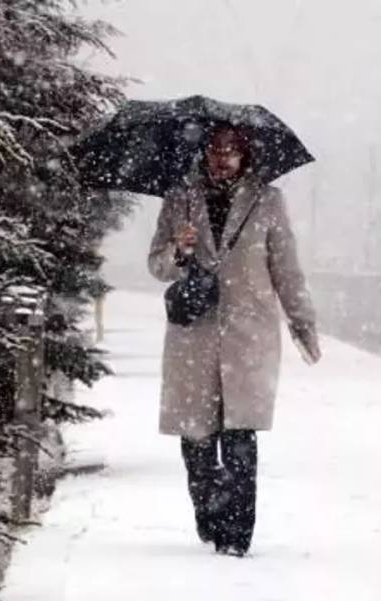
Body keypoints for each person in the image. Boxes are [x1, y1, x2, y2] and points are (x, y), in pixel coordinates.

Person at [147, 125, 321, 557]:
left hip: (249, 335)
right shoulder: (179, 199)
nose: (223, 158)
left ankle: (237, 536)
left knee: (241, 438)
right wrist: (178, 249)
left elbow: (286, 269)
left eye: (232, 151)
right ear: (204, 153)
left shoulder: (268, 201)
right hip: (195, 336)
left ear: (246, 156)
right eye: (215, 150)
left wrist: (302, 323)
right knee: (198, 441)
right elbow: (156, 266)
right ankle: (209, 517)